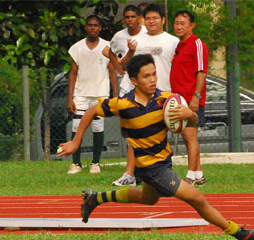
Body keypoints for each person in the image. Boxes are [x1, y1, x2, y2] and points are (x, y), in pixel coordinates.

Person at [58, 54, 254, 240]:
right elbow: (92, 109)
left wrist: (189, 114)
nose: (153, 79)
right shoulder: (123, 104)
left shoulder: (167, 100)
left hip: (163, 161)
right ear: (134, 81)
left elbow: (192, 122)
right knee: (197, 198)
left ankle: (96, 198)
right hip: (151, 167)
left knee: (149, 199)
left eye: (154, 74)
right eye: (146, 76)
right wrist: (76, 142)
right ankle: (236, 231)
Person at [110, 3, 180, 187]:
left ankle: (162, 173)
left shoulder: (173, 41)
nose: (151, 21)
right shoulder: (136, 40)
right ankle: (130, 174)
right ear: (143, 20)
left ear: (163, 20)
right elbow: (124, 66)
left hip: (162, 95)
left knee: (160, 138)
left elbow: (180, 68)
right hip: (138, 96)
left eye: (155, 18)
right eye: (148, 18)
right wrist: (131, 51)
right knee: (136, 135)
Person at [65, 15, 118, 174]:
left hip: (100, 94)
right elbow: (73, 74)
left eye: (96, 25)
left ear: (100, 28)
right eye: (90, 25)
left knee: (97, 127)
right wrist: (70, 98)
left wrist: (115, 96)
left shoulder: (107, 47)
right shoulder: (77, 48)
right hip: (80, 94)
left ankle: (95, 163)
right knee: (76, 126)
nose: (93, 28)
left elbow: (113, 72)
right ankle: (76, 164)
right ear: (86, 27)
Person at [102, 4, 147, 186]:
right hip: (129, 88)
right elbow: (113, 56)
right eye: (127, 17)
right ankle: (130, 174)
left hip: (149, 89)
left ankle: (147, 171)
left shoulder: (148, 34)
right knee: (132, 131)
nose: (130, 20)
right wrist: (123, 60)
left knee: (149, 130)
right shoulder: (119, 37)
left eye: (133, 17)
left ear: (139, 18)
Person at [170, 10, 208, 186]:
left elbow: (201, 73)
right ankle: (199, 174)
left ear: (192, 25)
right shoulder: (179, 45)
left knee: (190, 135)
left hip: (191, 99)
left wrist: (196, 97)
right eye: (176, 23)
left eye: (183, 23)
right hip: (179, 99)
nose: (179, 26)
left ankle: (191, 175)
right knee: (187, 136)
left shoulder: (197, 44)